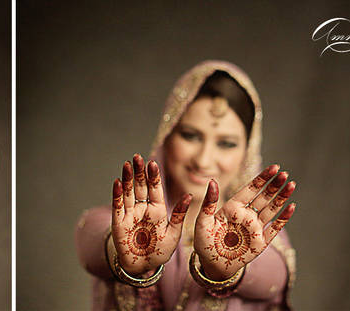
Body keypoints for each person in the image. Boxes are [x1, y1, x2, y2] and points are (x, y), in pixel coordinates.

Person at [76, 60, 297, 310]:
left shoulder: (255, 235)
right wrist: (125, 249)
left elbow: (272, 277)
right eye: (190, 136)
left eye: (226, 143)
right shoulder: (125, 224)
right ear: (167, 136)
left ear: (248, 151)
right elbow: (91, 240)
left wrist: (228, 266)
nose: (203, 160)